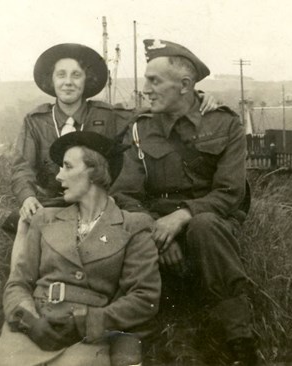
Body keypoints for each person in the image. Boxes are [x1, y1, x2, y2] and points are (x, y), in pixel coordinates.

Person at [110, 39, 257, 366]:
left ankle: (242, 342)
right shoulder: (139, 129)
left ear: (185, 86)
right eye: (146, 79)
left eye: (155, 80)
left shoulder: (224, 123)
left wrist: (182, 217)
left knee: (203, 226)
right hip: (154, 221)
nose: (145, 88)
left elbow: (230, 192)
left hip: (211, 220)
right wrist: (156, 233)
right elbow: (125, 194)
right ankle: (147, 338)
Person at [0, 131, 160, 366]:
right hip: (30, 331)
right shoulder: (45, 219)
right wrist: (29, 321)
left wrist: (84, 323)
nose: (59, 176)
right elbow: (18, 282)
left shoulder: (133, 226)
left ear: (95, 172)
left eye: (67, 167)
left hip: (86, 338)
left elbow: (144, 298)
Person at [6, 43, 218, 230]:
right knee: (22, 223)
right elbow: (22, 167)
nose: (68, 82)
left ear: (86, 80)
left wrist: (196, 97)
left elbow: (152, 111)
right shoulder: (35, 121)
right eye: (61, 75)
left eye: (76, 75)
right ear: (51, 80)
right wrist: (28, 197)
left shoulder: (109, 115)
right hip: (52, 202)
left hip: (98, 204)